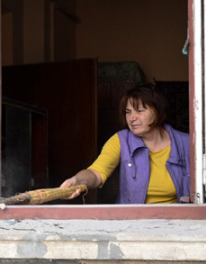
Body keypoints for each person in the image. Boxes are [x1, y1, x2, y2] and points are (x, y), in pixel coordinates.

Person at [60, 84, 191, 204]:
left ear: (158, 111)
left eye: (139, 110)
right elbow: (96, 173)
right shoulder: (120, 140)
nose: (132, 118)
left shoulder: (188, 143)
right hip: (132, 223)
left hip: (178, 223)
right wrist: (77, 180)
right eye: (128, 112)